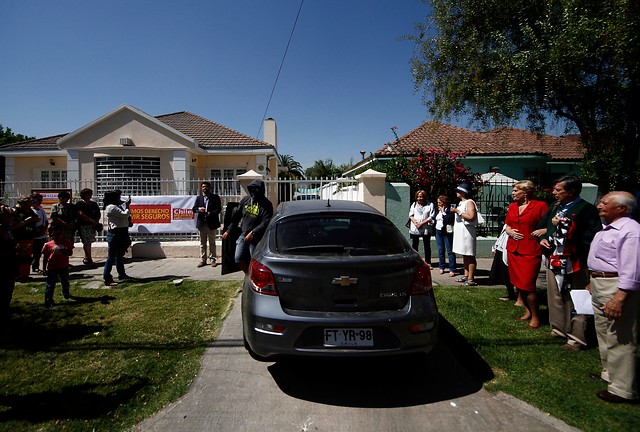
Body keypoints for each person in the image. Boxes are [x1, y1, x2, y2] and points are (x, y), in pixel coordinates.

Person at [587, 191, 640, 403]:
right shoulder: (606, 228)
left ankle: (622, 389)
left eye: (605, 203)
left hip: (616, 286)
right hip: (600, 283)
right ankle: (609, 373)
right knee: (603, 331)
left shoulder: (631, 231)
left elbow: (632, 267)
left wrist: (620, 297)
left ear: (622, 208)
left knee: (621, 336)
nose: (599, 205)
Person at [538, 175, 601, 351]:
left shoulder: (586, 210)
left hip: (574, 261)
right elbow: (544, 227)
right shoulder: (556, 207)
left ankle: (576, 337)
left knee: (575, 297)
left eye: (559, 190)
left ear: (571, 191)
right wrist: (543, 238)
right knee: (555, 294)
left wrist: (567, 233)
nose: (554, 193)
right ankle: (559, 328)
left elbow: (592, 237)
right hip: (554, 258)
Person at [504, 180, 549, 329]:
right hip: (513, 249)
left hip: (530, 250)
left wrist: (544, 231)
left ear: (526, 192)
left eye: (516, 191)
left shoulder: (540, 206)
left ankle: (536, 317)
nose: (513, 193)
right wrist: (509, 230)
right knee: (519, 284)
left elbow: (550, 224)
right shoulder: (512, 207)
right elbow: (508, 224)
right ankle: (527, 311)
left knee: (528, 285)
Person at [221, 179, 273, 274]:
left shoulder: (267, 204)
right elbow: (236, 217)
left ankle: (255, 281)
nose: (254, 191)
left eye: (257, 189)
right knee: (238, 258)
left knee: (256, 262)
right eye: (252, 189)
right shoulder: (246, 200)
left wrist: (253, 232)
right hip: (243, 235)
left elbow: (266, 222)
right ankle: (248, 277)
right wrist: (228, 230)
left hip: (257, 238)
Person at [451, 183, 479, 286]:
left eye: (458, 191)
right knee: (465, 254)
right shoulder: (460, 203)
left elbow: (471, 216)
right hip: (461, 231)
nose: (457, 193)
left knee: (469, 254)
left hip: (467, 232)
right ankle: (466, 275)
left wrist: (457, 212)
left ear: (463, 192)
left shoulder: (469, 202)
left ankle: (471, 278)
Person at [103, 190, 132, 286]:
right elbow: (124, 215)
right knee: (111, 257)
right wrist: (127, 206)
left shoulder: (116, 207)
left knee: (119, 256)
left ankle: (122, 274)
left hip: (121, 232)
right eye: (118, 197)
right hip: (115, 233)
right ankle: (107, 278)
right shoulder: (111, 207)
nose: (120, 199)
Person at [489, 224, 522, 306]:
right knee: (505, 273)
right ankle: (511, 295)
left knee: (517, 274)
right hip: (503, 245)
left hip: (514, 245)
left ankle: (520, 298)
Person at [192, 181, 222, 268]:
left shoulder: (215, 197)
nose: (205, 188)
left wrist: (211, 213)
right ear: (201, 188)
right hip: (202, 224)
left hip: (212, 223)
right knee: (202, 243)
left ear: (210, 188)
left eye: (206, 186)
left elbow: (218, 209)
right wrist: (198, 209)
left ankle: (213, 259)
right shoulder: (199, 198)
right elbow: (194, 209)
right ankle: (203, 260)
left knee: (212, 242)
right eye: (203, 187)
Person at [42, 227, 74, 307]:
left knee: (65, 281)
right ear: (51, 235)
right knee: (50, 284)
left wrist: (64, 251)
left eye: (60, 234)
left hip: (63, 266)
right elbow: (45, 257)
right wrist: (43, 268)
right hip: (52, 267)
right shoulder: (48, 245)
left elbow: (70, 253)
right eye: (55, 234)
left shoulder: (66, 242)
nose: (58, 236)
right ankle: (48, 300)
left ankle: (66, 293)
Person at [13, 195, 38, 281]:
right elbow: (13, 226)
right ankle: (18, 275)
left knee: (27, 257)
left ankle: (25, 274)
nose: (29, 207)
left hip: (29, 236)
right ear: (22, 204)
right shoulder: (15, 211)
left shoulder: (28, 210)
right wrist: (26, 221)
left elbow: (35, 217)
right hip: (19, 237)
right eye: (27, 205)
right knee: (20, 257)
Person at [75, 188, 102, 268]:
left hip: (92, 226)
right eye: (87, 194)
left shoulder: (93, 204)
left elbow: (98, 213)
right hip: (83, 225)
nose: (89, 195)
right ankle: (88, 257)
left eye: (90, 194)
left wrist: (96, 221)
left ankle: (87, 257)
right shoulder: (80, 204)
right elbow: (80, 214)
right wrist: (90, 220)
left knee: (89, 241)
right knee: (86, 241)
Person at [408, 190, 435, 264]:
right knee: (415, 246)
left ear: (424, 197)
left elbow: (431, 216)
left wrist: (421, 223)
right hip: (415, 228)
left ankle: (428, 262)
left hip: (426, 228)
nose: (419, 198)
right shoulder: (414, 204)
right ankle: (415, 261)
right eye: (418, 197)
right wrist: (416, 223)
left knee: (427, 246)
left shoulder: (430, 205)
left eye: (421, 196)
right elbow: (411, 215)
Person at [0, 205, 17, 321]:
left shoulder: (8, 227)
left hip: (10, 260)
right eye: (10, 215)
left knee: (8, 288)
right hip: (3, 262)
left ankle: (5, 310)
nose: (12, 218)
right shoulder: (1, 228)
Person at [434, 194, 456, 276]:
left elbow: (448, 219)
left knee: (450, 250)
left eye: (440, 202)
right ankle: (441, 267)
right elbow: (435, 219)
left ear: (444, 202)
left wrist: (443, 212)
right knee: (440, 250)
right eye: (438, 202)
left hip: (447, 232)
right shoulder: (437, 210)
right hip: (438, 231)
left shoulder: (449, 210)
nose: (438, 204)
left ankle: (452, 269)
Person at [30, 194, 48, 274]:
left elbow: (46, 221)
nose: (40, 202)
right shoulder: (30, 211)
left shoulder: (42, 211)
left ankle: (36, 266)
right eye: (38, 200)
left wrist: (44, 229)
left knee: (38, 252)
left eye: (41, 200)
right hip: (33, 234)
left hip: (41, 234)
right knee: (32, 252)